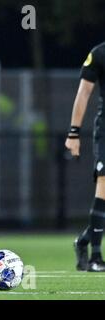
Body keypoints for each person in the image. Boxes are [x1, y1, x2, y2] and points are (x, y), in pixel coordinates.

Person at [67, 41, 105, 272]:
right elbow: (84, 93)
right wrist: (74, 133)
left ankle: (82, 241)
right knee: (104, 184)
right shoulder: (99, 53)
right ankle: (96, 257)